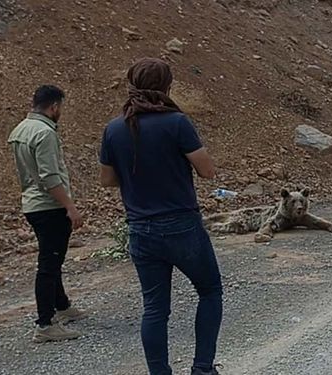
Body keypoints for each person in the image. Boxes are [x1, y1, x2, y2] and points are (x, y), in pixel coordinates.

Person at [99, 58, 223, 375]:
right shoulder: (177, 123)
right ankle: (202, 369)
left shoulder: (114, 129)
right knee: (209, 291)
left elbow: (108, 180)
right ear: (167, 87)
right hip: (182, 225)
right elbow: (207, 171)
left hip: (141, 229)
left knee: (155, 308)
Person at [8, 85, 87, 343]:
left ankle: (62, 305)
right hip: (49, 207)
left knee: (53, 257)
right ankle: (45, 323)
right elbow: (50, 177)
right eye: (60, 108)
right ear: (54, 106)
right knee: (49, 264)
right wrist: (70, 206)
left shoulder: (20, 129)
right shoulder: (45, 133)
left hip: (32, 203)